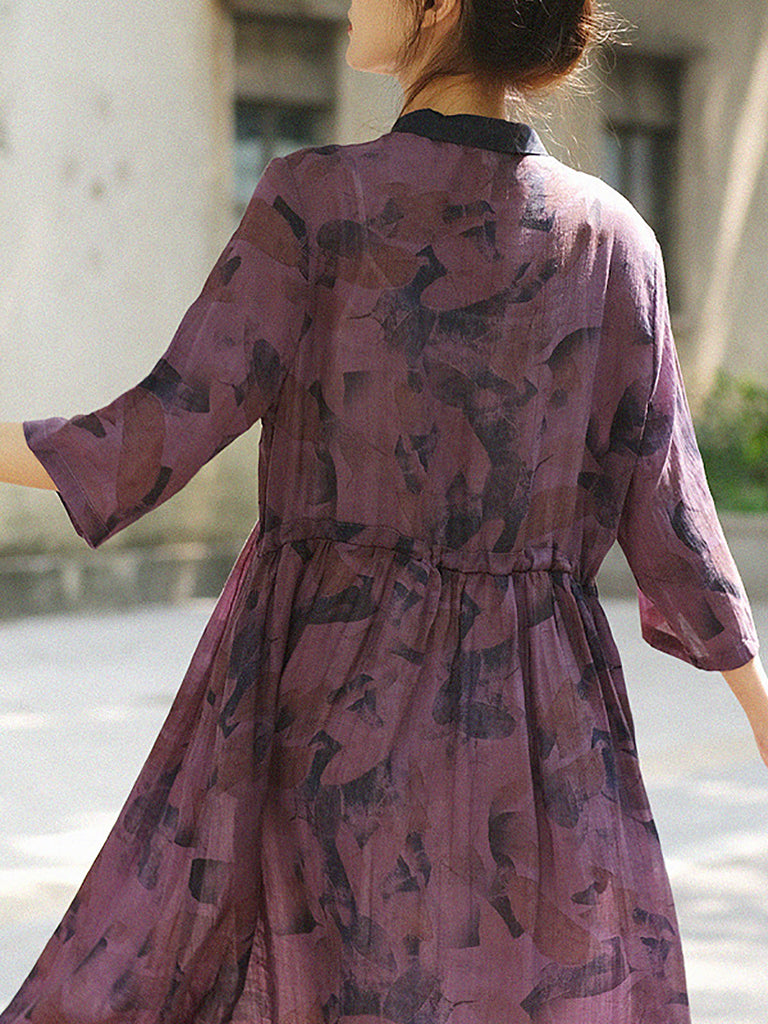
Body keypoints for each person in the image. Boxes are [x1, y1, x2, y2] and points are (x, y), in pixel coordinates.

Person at [1, 0, 767, 1020]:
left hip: (334, 704)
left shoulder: (321, 201)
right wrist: (759, 705)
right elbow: (671, 511)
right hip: (539, 732)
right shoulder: (614, 240)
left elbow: (147, 440)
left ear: (439, 6)